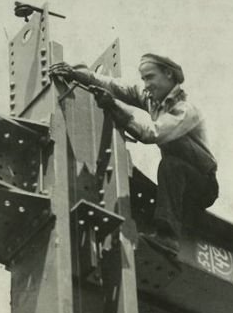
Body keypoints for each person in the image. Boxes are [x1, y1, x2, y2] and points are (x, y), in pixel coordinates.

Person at [49, 53, 219, 255]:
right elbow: (115, 86)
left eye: (150, 77)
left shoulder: (185, 111)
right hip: (178, 182)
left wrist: (115, 108)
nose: (146, 84)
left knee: (171, 165)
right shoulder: (152, 100)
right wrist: (78, 75)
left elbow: (151, 133)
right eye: (143, 79)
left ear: (168, 75)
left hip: (202, 186)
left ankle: (168, 238)